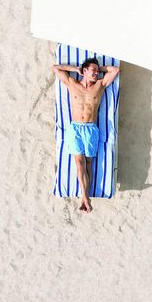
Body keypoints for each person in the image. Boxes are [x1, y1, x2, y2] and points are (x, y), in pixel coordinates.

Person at [52, 57, 120, 213]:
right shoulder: (72, 84)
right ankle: (85, 197)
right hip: (75, 129)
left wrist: (98, 69)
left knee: (88, 164)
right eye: (93, 70)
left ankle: (85, 197)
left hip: (91, 128)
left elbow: (115, 71)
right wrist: (76, 69)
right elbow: (56, 68)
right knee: (79, 162)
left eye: (97, 70)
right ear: (84, 71)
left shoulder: (100, 85)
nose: (96, 73)